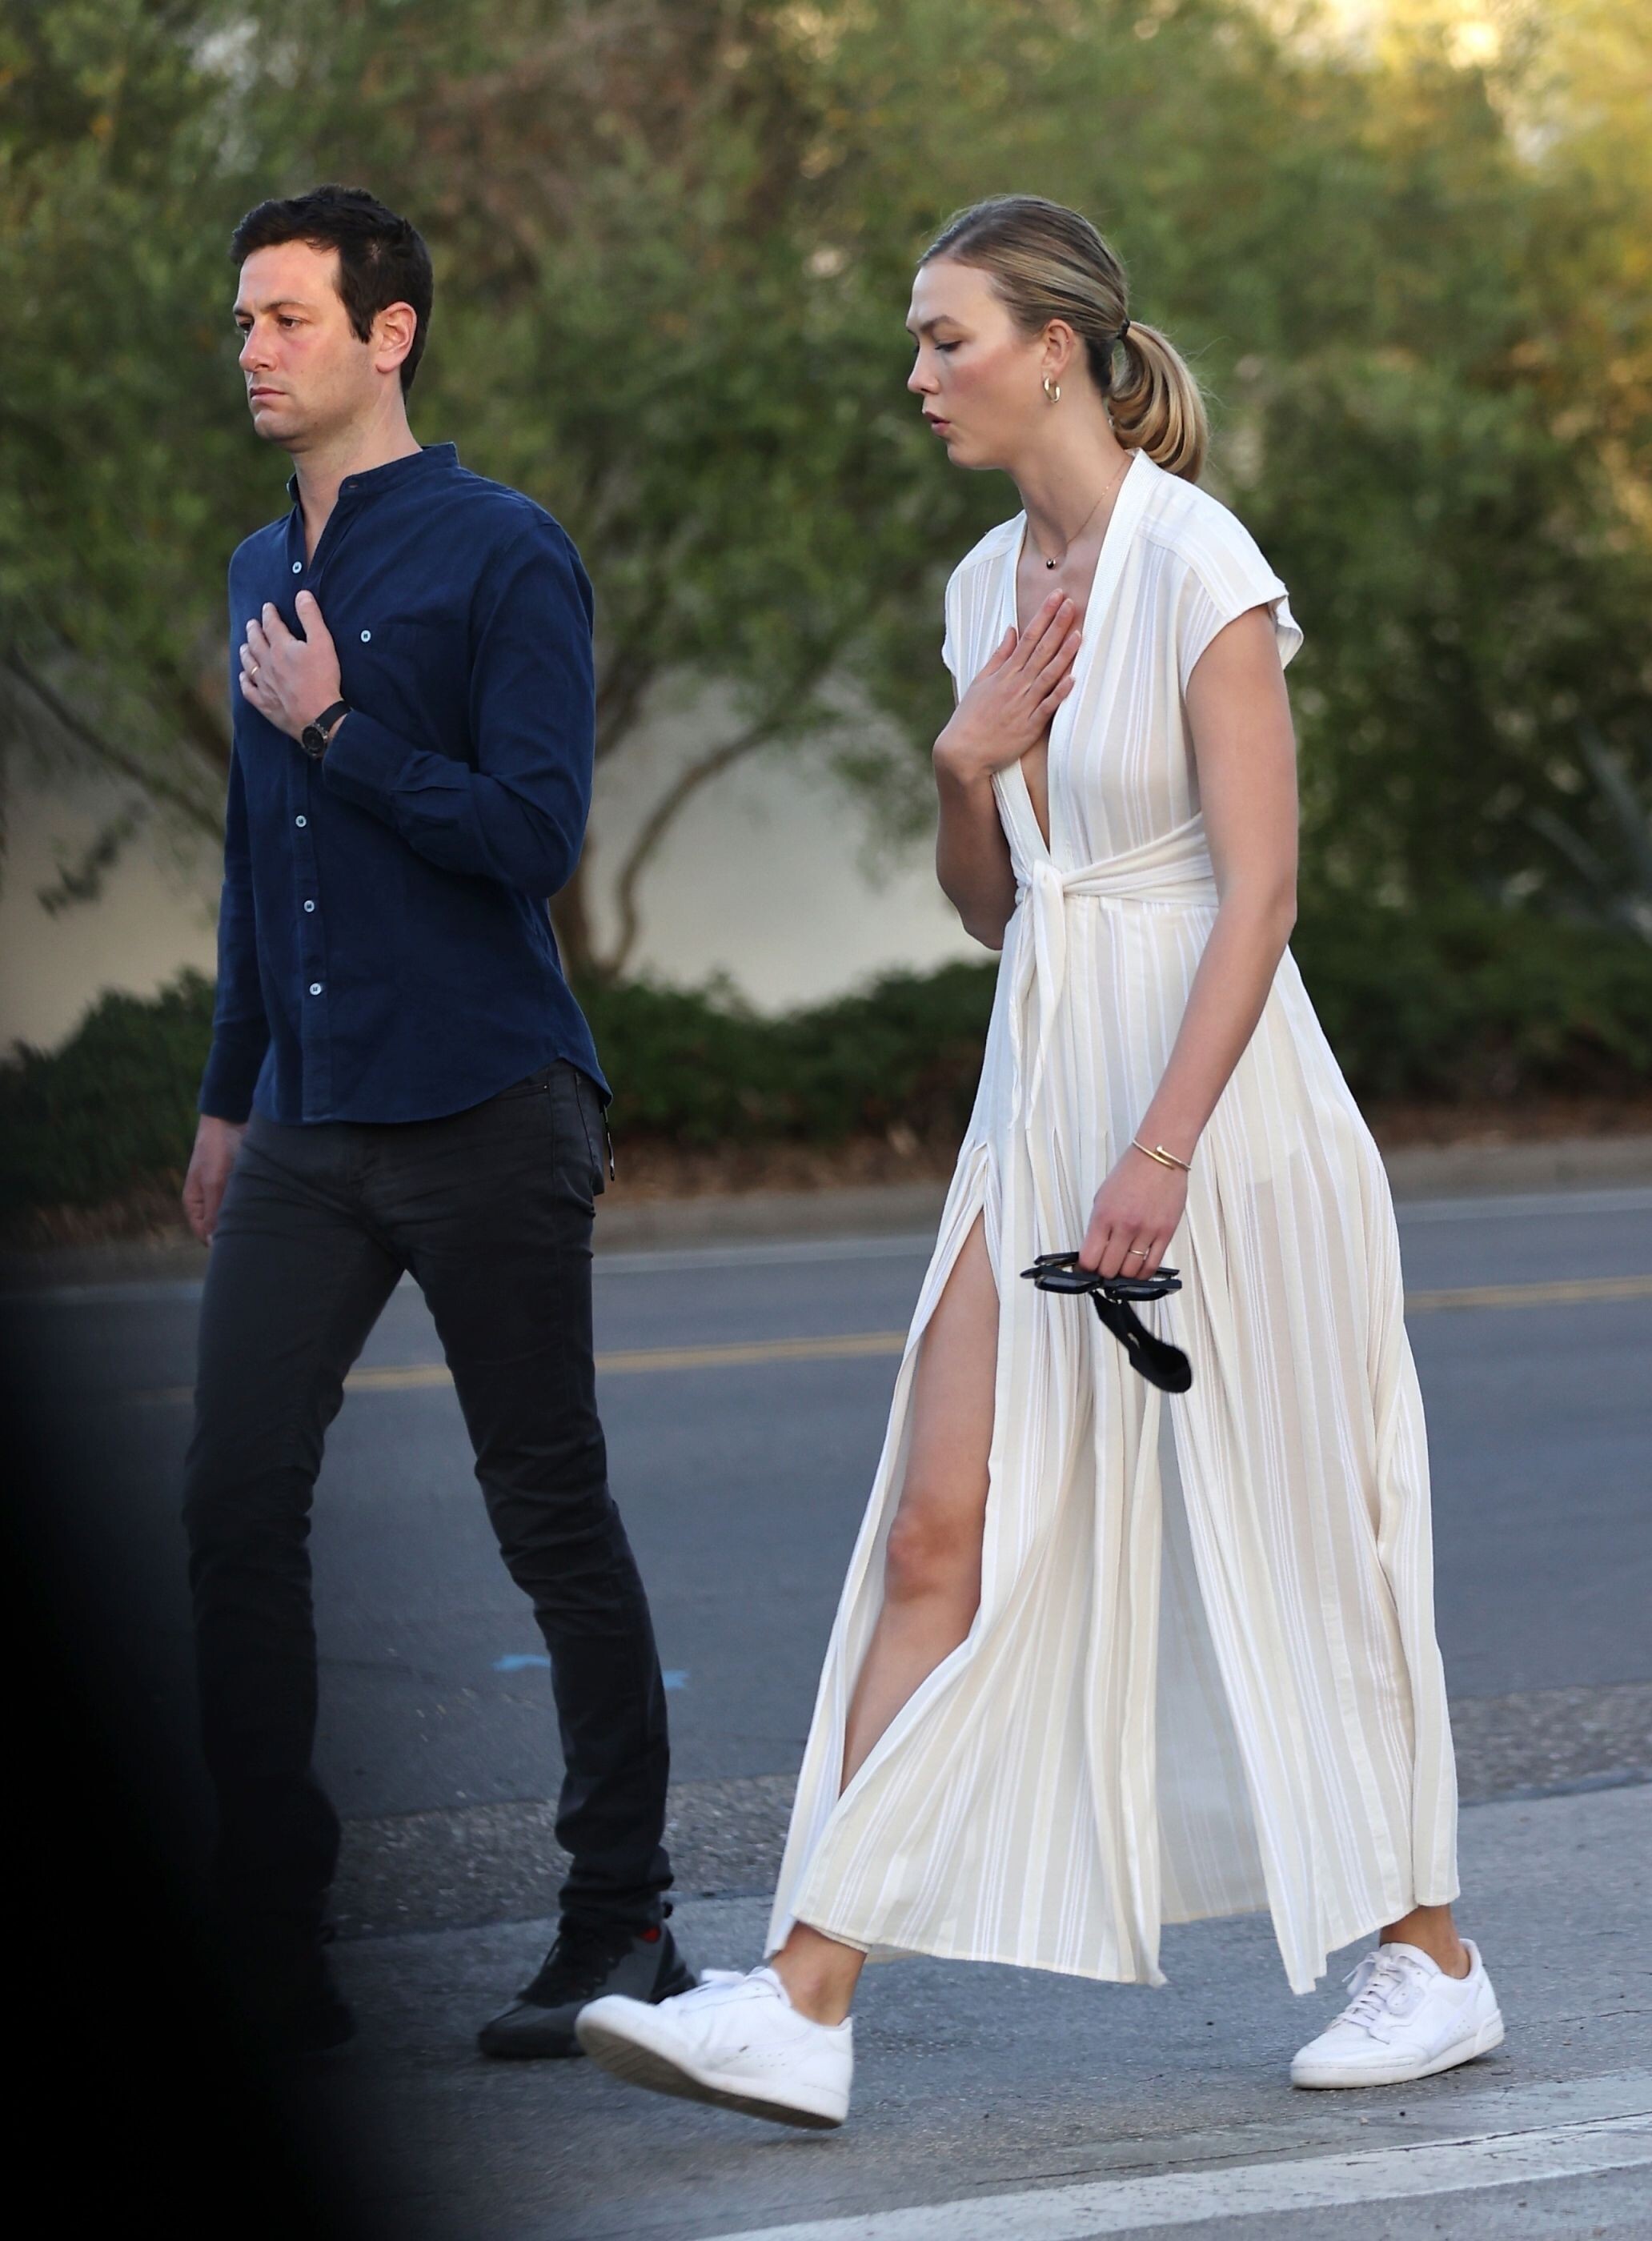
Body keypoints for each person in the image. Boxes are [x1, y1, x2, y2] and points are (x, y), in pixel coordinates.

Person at [576, 195, 1502, 2127]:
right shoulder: (984, 584)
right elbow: (999, 908)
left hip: (1217, 1104)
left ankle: (1431, 1955)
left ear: (1057, 346)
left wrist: (1164, 1146)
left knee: (1295, 1533)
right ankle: (805, 1995)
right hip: (1042, 1077)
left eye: (948, 338)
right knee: (938, 1524)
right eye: (918, 343)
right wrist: (961, 759)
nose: (918, 376)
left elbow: (1261, 891)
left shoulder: (1201, 562)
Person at [180, 184, 692, 2055]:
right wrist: (229, 1095)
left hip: (486, 1098)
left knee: (547, 1510)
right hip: (309, 1125)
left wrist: (340, 727)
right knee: (232, 1500)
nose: (253, 348)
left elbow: (532, 835)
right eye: (245, 319)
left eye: (288, 318)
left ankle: (619, 1921)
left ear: (388, 334)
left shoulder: (505, 550)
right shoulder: (258, 564)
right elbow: (259, 862)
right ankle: (273, 1930)